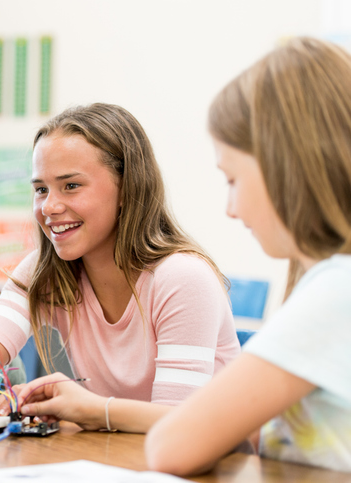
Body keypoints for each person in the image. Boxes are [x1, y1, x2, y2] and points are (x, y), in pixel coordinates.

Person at [0, 103, 240, 434]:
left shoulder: (183, 278)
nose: (49, 207)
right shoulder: (42, 272)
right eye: (41, 189)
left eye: (71, 186)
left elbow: (182, 426)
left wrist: (90, 411)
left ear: (127, 188)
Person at [145, 37, 351, 475]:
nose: (230, 208)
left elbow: (170, 446)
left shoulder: (337, 289)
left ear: (286, 166)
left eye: (232, 178)